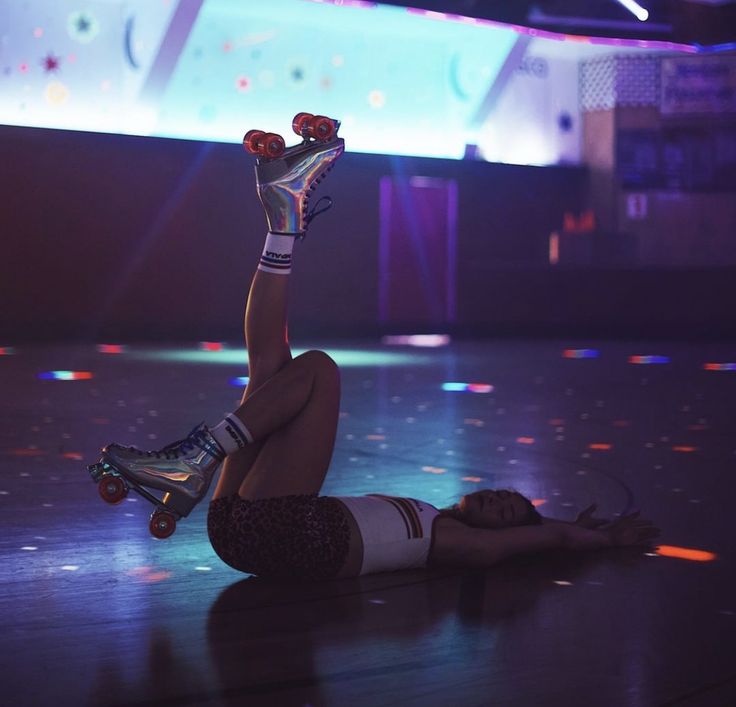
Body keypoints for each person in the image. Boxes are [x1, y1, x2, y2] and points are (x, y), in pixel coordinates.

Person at [93, 114, 660, 581]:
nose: (498, 499)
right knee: (271, 368)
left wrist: (578, 537)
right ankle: (282, 221)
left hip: (285, 535)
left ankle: (195, 457)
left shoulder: (459, 543)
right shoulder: (433, 512)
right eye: (506, 494)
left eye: (507, 512)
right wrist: (562, 522)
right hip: (245, 524)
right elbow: (538, 523)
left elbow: (525, 544)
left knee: (319, 371)